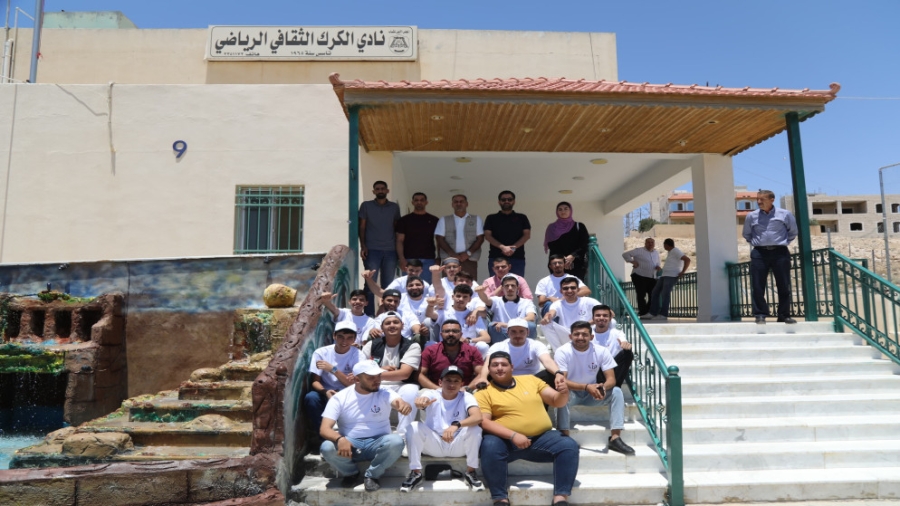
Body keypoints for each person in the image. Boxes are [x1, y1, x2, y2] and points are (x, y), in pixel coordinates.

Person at [476, 351, 578, 506]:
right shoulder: (483, 392)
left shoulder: (531, 380)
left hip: (540, 439)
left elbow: (556, 401)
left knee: (569, 445)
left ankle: (560, 498)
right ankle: (500, 498)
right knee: (489, 444)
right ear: (489, 369)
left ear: (512, 367)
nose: (499, 368)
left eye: (504, 364)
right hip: (505, 442)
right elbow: (484, 422)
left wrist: (563, 393)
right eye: (495, 365)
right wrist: (513, 435)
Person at [319, 360, 412, 492]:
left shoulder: (385, 392)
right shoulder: (340, 397)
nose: (377, 380)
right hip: (350, 446)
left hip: (378, 443)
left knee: (396, 442)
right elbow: (324, 429)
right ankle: (351, 473)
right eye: (371, 377)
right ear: (357, 379)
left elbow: (398, 402)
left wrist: (404, 406)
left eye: (378, 376)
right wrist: (340, 439)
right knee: (326, 447)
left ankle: (372, 475)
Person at [554, 321, 635, 455]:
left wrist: (602, 387)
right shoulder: (562, 351)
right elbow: (562, 380)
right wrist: (586, 387)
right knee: (562, 390)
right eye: (576, 334)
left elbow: (611, 379)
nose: (580, 337)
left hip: (592, 393)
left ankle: (615, 438)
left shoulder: (601, 351)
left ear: (591, 337)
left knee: (616, 391)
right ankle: (564, 437)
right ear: (570, 336)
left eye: (585, 334)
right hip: (572, 393)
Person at [401, 365, 484, 493]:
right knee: (414, 426)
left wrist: (456, 425)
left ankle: (471, 472)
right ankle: (416, 473)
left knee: (475, 429)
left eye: (456, 381)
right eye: (448, 380)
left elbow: (477, 417)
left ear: (462, 384)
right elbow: (422, 400)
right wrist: (421, 403)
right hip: (434, 444)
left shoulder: (466, 396)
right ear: (440, 382)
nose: (452, 384)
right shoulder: (432, 393)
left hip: (457, 445)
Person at [303, 321, 363, 450]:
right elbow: (315, 381)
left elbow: (353, 384)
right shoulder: (321, 353)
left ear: (354, 339)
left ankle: (352, 440)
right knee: (311, 398)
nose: (344, 341)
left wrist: (333, 369)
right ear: (334, 336)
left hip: (349, 393)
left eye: (349, 338)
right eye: (341, 337)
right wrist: (325, 392)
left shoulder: (358, 355)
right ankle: (325, 441)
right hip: (327, 392)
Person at [742, 189, 799, 324]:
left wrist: (781, 243)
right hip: (759, 253)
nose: (759, 202)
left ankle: (784, 315)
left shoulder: (785, 214)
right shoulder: (751, 216)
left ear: (772, 200)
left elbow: (793, 231)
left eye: (762, 199)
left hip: (780, 253)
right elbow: (746, 234)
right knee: (758, 285)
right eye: (758, 199)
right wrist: (759, 243)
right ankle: (760, 314)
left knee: (783, 285)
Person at [360, 313, 421, 436]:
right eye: (388, 323)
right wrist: (381, 370)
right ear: (382, 327)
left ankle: (403, 433)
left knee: (411, 390)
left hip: (402, 385)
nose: (392, 325)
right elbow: (360, 370)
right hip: (376, 384)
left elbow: (404, 374)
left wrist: (375, 372)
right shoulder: (371, 344)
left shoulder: (412, 346)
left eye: (395, 322)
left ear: (402, 325)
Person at [475, 318, 565, 390]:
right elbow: (488, 363)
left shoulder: (536, 345)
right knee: (488, 376)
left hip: (532, 379)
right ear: (508, 332)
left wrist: (558, 373)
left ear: (528, 332)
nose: (518, 335)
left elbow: (547, 360)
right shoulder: (498, 346)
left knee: (553, 375)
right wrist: (483, 377)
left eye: (521, 331)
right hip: (506, 379)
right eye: (513, 331)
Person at [359, 180, 402, 315]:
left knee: (388, 286)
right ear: (374, 191)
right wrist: (363, 245)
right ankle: (369, 315)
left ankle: (386, 315)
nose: (380, 191)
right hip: (372, 250)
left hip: (391, 251)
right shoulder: (366, 206)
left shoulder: (394, 207)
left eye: (383, 188)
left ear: (387, 191)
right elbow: (362, 227)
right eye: (377, 189)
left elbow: (396, 227)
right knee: (369, 283)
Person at [418, 319, 484, 391]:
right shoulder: (430, 351)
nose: (451, 334)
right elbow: (419, 374)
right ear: (441, 334)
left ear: (461, 334)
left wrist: (468, 388)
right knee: (422, 394)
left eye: (455, 331)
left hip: (465, 391)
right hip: (435, 390)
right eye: (447, 331)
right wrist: (439, 390)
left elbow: (481, 373)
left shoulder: (472, 351)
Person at [426, 285, 491, 357]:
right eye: (458, 296)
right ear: (453, 297)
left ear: (470, 299)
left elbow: (487, 338)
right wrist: (430, 306)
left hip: (468, 351)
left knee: (483, 346)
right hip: (446, 349)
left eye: (465, 297)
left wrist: (469, 340)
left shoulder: (473, 316)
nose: (461, 299)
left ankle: (477, 364)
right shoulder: (444, 313)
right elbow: (430, 314)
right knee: (429, 344)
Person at [540, 277, 602, 350]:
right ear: (561, 291)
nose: (569, 291)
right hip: (568, 333)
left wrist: (587, 324)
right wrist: (547, 318)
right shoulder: (557, 304)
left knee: (611, 321)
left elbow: (610, 313)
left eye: (573, 288)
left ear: (578, 290)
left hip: (586, 332)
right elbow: (551, 312)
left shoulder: (588, 301)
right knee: (545, 324)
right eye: (565, 288)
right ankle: (558, 351)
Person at [435, 194, 485, 280]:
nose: (459, 204)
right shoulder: (444, 220)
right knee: (449, 284)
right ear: (452, 204)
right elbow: (439, 238)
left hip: (469, 259)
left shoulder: (476, 219)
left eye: (461, 201)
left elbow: (480, 239)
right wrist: (453, 254)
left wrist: (468, 253)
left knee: (469, 283)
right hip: (449, 259)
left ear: (466, 204)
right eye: (456, 202)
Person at [475, 275, 537, 343]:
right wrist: (480, 292)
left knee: (531, 326)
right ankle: (498, 348)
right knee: (492, 326)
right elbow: (486, 300)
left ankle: (528, 347)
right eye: (507, 286)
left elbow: (531, 317)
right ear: (502, 288)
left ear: (518, 287)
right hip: (502, 332)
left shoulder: (527, 302)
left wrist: (508, 324)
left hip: (520, 331)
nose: (510, 288)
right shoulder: (496, 300)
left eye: (513, 285)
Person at [484, 190, 531, 277]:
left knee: (516, 283)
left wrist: (513, 248)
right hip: (496, 257)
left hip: (517, 257)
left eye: (509, 199)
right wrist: (503, 247)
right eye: (503, 200)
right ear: (499, 202)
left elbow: (526, 235)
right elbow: (487, 236)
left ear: (514, 201)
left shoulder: (522, 218)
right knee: (495, 284)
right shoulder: (491, 218)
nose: (506, 201)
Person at [395, 193, 439, 284]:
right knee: (409, 286)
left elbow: (439, 240)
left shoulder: (434, 220)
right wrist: (402, 259)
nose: (419, 202)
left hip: (428, 259)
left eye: (422, 200)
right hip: (409, 259)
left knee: (427, 287)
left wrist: (438, 258)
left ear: (426, 202)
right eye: (416, 200)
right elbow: (399, 240)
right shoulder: (404, 220)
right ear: (412, 202)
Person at [644, 238, 691, 321]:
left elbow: (687, 260)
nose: (664, 247)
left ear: (666, 245)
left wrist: (683, 272)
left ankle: (663, 314)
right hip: (664, 275)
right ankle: (652, 312)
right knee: (655, 292)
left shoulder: (676, 251)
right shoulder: (670, 252)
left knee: (665, 294)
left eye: (664, 245)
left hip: (671, 275)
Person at [544, 202, 590, 280]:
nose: (563, 211)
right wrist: (563, 259)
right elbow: (552, 246)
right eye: (560, 209)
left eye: (566, 209)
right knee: (558, 286)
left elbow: (584, 244)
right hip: (558, 264)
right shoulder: (552, 228)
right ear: (557, 212)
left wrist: (572, 256)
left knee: (575, 286)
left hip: (576, 264)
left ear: (570, 210)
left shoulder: (579, 226)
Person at [592, 305, 633, 389]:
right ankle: (605, 386)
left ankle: (615, 386)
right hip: (595, 368)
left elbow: (623, 341)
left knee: (627, 353)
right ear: (593, 318)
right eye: (598, 315)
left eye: (605, 315)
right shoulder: (587, 334)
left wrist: (626, 345)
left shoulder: (617, 333)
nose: (601, 318)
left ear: (610, 318)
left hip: (612, 368)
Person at [622, 238, 661, 317]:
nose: (650, 244)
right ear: (645, 243)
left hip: (652, 277)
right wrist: (633, 262)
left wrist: (658, 267)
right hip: (639, 275)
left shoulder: (656, 252)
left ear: (654, 244)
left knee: (653, 294)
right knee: (641, 295)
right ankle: (643, 312)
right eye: (648, 242)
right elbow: (625, 255)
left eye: (652, 242)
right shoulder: (639, 250)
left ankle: (649, 311)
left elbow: (657, 262)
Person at [363, 259, 431, 297]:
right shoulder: (399, 282)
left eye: (417, 271)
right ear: (406, 269)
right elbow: (382, 293)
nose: (414, 273)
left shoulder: (426, 285)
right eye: (411, 270)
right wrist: (369, 279)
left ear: (421, 271)